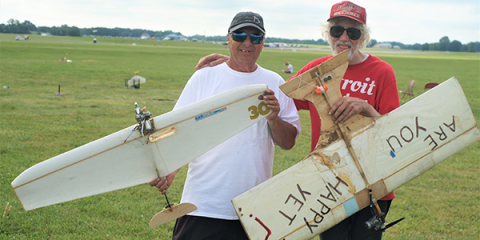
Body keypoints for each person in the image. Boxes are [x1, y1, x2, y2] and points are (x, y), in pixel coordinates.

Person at [194, 2, 399, 239]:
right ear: (328, 35)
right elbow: (280, 92)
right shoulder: (317, 70)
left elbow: (395, 127)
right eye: (336, 31)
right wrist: (235, 62)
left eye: (352, 32)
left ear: (363, 37)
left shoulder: (382, 71)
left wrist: (365, 107)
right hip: (331, 183)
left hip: (373, 182)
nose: (344, 37)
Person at [149, 11, 301, 240]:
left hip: (252, 209)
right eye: (240, 35)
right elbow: (178, 131)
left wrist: (273, 117)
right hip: (202, 204)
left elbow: (288, 142)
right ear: (228, 38)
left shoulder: (275, 82)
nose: (247, 42)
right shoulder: (204, 78)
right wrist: (169, 169)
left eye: (256, 37)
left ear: (263, 42)